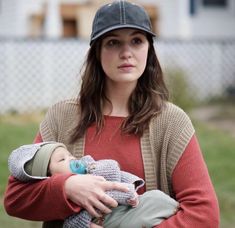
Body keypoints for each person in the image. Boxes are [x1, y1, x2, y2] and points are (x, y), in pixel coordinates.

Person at [4, 0, 220, 227]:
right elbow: (16, 198)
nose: (126, 52)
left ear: (149, 48)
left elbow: (204, 214)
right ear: (97, 52)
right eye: (113, 42)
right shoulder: (62, 117)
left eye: (136, 41)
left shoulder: (172, 122)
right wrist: (67, 188)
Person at [8, 142, 179, 228]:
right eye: (62, 159)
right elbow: (73, 222)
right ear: (48, 177)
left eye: (70, 155)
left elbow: (114, 177)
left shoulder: (92, 171)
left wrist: (129, 190)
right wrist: (66, 186)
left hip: (128, 207)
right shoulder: (63, 202)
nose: (72, 159)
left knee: (156, 198)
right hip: (112, 221)